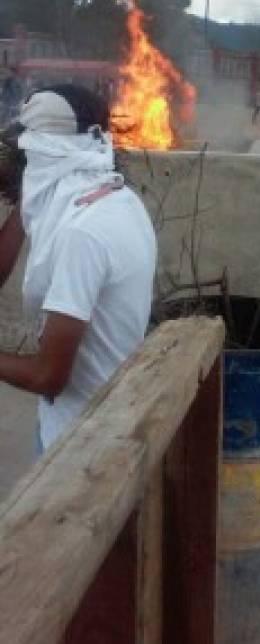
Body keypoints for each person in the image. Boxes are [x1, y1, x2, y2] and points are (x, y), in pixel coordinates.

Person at [0, 84, 156, 451]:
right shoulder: (118, 198)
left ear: (45, 153)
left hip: (79, 445)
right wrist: (30, 193)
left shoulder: (80, 234)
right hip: (107, 417)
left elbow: (48, 376)